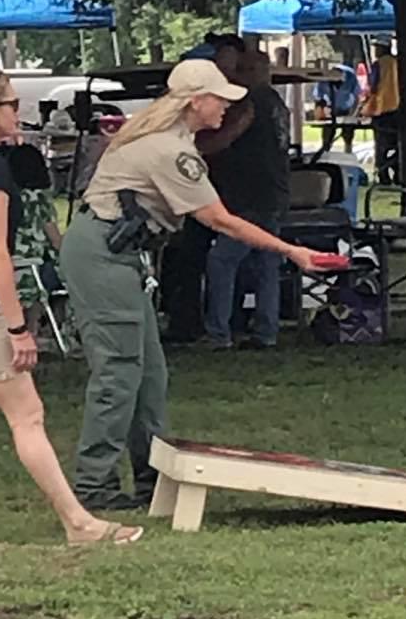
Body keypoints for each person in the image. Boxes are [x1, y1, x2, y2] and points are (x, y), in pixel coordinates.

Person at [60, 58, 328, 511]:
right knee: (119, 371)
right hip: (102, 255)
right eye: (220, 98)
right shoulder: (171, 150)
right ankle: (94, 485)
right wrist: (292, 252)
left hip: (112, 252)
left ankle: (151, 478)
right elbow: (219, 219)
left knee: (148, 374)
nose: (226, 105)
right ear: (196, 101)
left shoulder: (170, 139)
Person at [0, 66, 142, 549]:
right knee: (27, 414)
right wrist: (16, 327)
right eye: (11, 104)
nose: (20, 111)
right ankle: (79, 524)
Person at [163, 36, 254, 344]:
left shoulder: (241, 101)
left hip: (231, 192)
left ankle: (229, 320)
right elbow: (204, 146)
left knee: (227, 260)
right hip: (199, 193)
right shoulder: (182, 132)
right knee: (191, 258)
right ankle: (187, 321)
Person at [205, 51, 291, 351]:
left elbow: (226, 138)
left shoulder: (249, 104)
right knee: (267, 263)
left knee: (222, 261)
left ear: (255, 71)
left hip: (249, 194)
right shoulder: (279, 104)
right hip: (275, 191)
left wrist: (196, 150)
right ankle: (267, 330)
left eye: (242, 69)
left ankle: (219, 333)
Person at [5, 142, 63, 334]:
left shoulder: (3, 196)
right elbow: (54, 238)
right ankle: (42, 328)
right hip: (34, 268)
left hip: (6, 266)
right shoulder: (40, 198)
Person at [363, 41, 400, 184]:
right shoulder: (398, 62)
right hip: (398, 110)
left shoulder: (379, 64)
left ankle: (383, 174)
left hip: (381, 109)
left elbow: (373, 86)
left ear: (382, 48)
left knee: (381, 146)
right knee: (398, 144)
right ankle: (398, 172)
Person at [312, 63, 360, 153]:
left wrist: (353, 114)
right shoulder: (324, 78)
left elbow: (357, 97)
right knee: (327, 135)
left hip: (347, 110)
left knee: (348, 133)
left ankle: (348, 153)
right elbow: (318, 98)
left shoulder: (351, 76)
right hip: (330, 111)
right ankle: (325, 154)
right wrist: (321, 112)